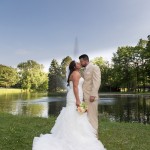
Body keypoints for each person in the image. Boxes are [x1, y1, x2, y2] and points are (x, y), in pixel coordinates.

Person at [32, 60, 105, 150]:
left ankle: (78, 133)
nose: (79, 64)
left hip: (77, 95)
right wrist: (78, 100)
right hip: (75, 96)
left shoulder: (76, 73)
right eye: (77, 63)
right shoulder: (76, 74)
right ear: (74, 67)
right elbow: (75, 87)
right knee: (75, 113)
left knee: (79, 113)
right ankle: (73, 136)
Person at [79, 54, 101, 135]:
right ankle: (85, 134)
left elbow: (97, 81)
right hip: (83, 98)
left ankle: (95, 137)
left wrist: (93, 94)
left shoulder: (95, 67)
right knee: (81, 115)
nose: (80, 63)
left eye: (81, 61)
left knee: (92, 117)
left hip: (91, 97)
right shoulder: (83, 70)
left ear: (85, 60)